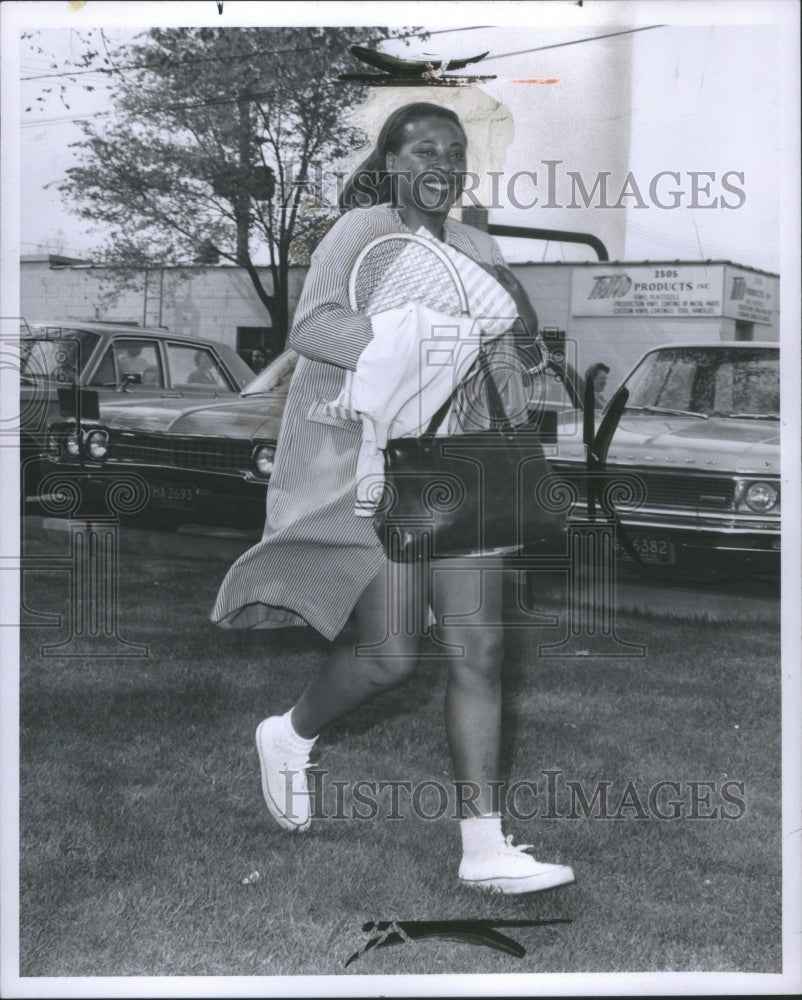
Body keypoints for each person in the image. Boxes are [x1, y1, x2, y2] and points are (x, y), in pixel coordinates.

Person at [211, 102, 574, 895]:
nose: (441, 163)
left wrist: (523, 339)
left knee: (480, 651)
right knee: (390, 656)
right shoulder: (364, 230)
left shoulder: (475, 244)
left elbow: (511, 363)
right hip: (376, 465)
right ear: (391, 162)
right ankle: (289, 733)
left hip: (463, 469)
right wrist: (421, 348)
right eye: (423, 150)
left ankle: (483, 848)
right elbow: (314, 330)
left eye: (453, 150)